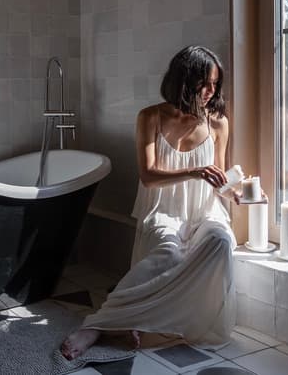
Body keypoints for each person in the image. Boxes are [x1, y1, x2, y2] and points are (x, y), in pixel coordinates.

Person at [60, 45, 251, 360]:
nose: (210, 91)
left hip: (205, 211)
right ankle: (97, 324)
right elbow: (148, 176)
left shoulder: (217, 122)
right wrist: (194, 171)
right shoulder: (150, 116)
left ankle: (161, 320)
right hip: (164, 211)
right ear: (183, 80)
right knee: (169, 253)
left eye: (215, 84)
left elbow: (219, 180)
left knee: (219, 242)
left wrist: (239, 194)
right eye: (203, 83)